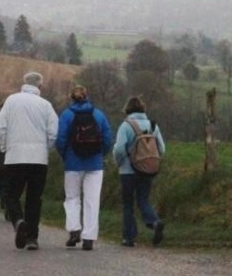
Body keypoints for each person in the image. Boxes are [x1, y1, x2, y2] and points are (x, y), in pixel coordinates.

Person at [0, 71, 58, 250]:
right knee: (34, 198)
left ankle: (18, 220)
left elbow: (0, 127)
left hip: (15, 156)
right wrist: (45, 148)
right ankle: (32, 237)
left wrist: (5, 146)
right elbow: (53, 132)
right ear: (40, 86)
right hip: (38, 159)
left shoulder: (11, 101)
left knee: (11, 194)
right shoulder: (46, 105)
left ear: (24, 83)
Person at [55, 85, 112, 251]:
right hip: (95, 163)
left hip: (73, 163)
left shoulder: (66, 115)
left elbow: (61, 140)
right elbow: (108, 138)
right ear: (87, 96)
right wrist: (101, 155)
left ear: (71, 98)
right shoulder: (98, 114)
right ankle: (89, 238)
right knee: (92, 200)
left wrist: (65, 156)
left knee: (72, 197)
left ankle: (74, 230)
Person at [112, 96, 166, 247]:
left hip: (128, 171)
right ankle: (154, 222)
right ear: (143, 109)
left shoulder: (126, 125)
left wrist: (118, 162)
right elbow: (162, 148)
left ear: (127, 109)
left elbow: (119, 149)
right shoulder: (153, 125)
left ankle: (129, 237)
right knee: (143, 200)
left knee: (128, 204)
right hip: (148, 170)